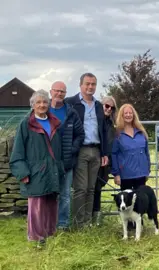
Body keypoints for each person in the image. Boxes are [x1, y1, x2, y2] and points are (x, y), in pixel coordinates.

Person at [10, 90, 64, 248]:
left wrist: (60, 167)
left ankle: (49, 233)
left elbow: (58, 149)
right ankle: (36, 237)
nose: (42, 105)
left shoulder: (54, 122)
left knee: (51, 203)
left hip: (52, 169)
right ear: (32, 105)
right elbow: (17, 151)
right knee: (37, 205)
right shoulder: (26, 124)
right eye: (38, 102)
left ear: (48, 105)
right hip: (35, 171)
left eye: (45, 102)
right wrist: (23, 172)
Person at [65, 73, 109, 228]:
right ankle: (78, 223)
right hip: (81, 150)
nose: (90, 87)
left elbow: (103, 130)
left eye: (93, 84)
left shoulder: (98, 105)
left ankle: (87, 221)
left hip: (96, 150)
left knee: (91, 188)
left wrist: (104, 152)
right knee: (81, 188)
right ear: (81, 85)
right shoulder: (70, 103)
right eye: (87, 84)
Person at [49, 81, 85, 230]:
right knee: (49, 194)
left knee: (65, 194)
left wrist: (72, 149)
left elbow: (80, 134)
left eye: (62, 92)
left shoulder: (71, 113)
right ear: (51, 92)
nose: (59, 94)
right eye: (56, 91)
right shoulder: (44, 111)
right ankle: (49, 223)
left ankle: (63, 224)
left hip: (67, 160)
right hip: (49, 161)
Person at [111, 104, 151, 191]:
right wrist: (116, 174)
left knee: (141, 202)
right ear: (121, 116)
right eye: (125, 113)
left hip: (141, 174)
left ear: (134, 115)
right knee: (127, 203)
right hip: (125, 175)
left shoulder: (141, 132)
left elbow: (146, 152)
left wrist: (148, 170)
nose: (128, 115)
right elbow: (114, 154)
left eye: (130, 113)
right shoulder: (117, 134)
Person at [92, 96, 117, 226]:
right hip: (94, 158)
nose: (109, 109)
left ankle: (96, 218)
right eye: (107, 106)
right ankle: (87, 218)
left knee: (98, 189)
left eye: (112, 108)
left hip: (105, 163)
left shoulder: (111, 125)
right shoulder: (93, 121)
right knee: (89, 188)